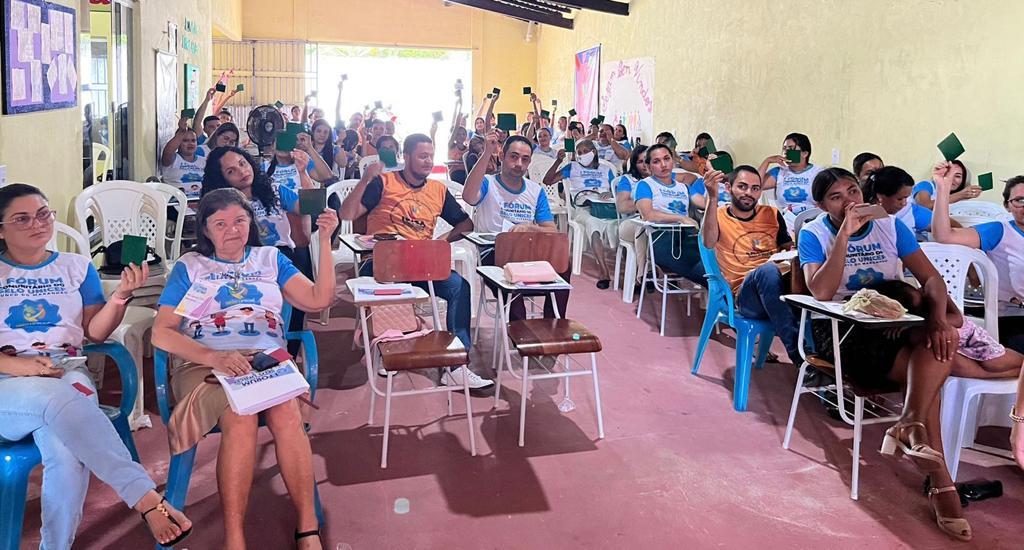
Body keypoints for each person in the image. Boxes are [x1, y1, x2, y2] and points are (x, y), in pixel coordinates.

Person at [0, 184, 192, 548]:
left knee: (66, 452)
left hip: (65, 369)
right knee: (58, 397)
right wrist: (22, 367)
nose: (37, 224)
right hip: (7, 382)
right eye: (21, 218)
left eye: (43, 213)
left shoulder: (75, 267)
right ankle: (145, 498)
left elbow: (94, 332)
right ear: (1, 229)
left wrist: (120, 296)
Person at [154, 188, 337, 550]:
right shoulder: (190, 266)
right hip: (205, 362)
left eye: (239, 220)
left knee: (285, 410)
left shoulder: (270, 259)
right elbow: (162, 332)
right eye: (220, 224)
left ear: (250, 222)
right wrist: (214, 358)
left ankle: (307, 527)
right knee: (240, 415)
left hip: (266, 361)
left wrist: (325, 241)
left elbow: (319, 299)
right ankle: (235, 538)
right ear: (205, 230)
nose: (232, 230)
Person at [798, 167, 970, 541]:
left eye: (853, 191)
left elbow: (931, 279)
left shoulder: (891, 226)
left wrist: (938, 319)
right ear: (820, 205)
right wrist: (843, 236)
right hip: (844, 332)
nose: (849, 202)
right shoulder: (813, 234)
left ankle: (912, 430)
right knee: (930, 375)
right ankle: (940, 482)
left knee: (939, 343)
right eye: (836, 197)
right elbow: (822, 293)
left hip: (896, 322)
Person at [340, 134, 493, 392]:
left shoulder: (438, 190)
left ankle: (456, 365)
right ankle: (387, 344)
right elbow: (347, 214)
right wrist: (365, 179)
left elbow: (465, 224)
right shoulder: (383, 183)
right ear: (407, 156)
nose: (427, 161)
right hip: (381, 262)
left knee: (460, 287)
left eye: (430, 156)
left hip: (420, 262)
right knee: (384, 291)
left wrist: (442, 242)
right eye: (422, 156)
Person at [699, 167, 801, 365]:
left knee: (806, 278)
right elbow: (709, 243)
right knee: (767, 271)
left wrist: (793, 252)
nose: (749, 193)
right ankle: (800, 358)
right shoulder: (718, 214)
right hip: (744, 296)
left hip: (777, 289)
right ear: (728, 188)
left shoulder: (772, 214)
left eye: (755, 188)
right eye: (742, 187)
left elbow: (788, 247)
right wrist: (712, 198)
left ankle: (827, 365)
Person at [464, 133, 564, 320]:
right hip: (494, 255)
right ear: (502, 157)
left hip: (527, 252)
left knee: (563, 263)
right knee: (513, 287)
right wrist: (487, 153)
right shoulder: (488, 183)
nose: (519, 164)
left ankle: (552, 326)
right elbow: (468, 197)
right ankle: (521, 336)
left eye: (525, 159)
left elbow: (552, 232)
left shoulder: (535, 190)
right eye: (514, 156)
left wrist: (531, 228)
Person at [930, 162, 1024, 354]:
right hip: (1013, 318)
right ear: (1007, 206)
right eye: (1020, 200)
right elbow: (944, 235)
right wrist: (943, 189)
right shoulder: (999, 231)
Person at [543, 139, 619, 288]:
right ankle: (604, 271)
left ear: (594, 152)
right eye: (579, 152)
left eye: (585, 151)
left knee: (623, 222)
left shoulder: (606, 169)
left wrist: (609, 192)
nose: (582, 155)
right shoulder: (572, 167)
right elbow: (548, 181)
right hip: (582, 208)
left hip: (605, 207)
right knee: (592, 223)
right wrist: (558, 161)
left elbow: (617, 189)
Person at [633, 144, 706, 287]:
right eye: (656, 161)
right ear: (648, 166)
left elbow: (704, 204)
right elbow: (648, 214)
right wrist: (681, 218)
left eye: (667, 159)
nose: (663, 165)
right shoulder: (645, 185)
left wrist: (713, 191)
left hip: (688, 237)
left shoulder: (683, 187)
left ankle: (722, 299)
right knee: (710, 273)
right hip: (662, 240)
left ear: (673, 161)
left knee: (715, 263)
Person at [759, 132, 825, 229]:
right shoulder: (779, 172)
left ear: (805, 154)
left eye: (791, 148)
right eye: (784, 148)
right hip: (786, 220)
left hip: (814, 220)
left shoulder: (817, 173)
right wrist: (767, 161)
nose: (786, 152)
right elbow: (754, 185)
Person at [862, 166, 934, 237]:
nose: (904, 203)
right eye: (900, 199)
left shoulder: (909, 210)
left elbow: (940, 227)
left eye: (906, 198)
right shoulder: (862, 216)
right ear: (880, 196)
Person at [160, 115, 206, 200]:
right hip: (176, 206)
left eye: (193, 140)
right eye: (185, 140)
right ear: (178, 142)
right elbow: (168, 151)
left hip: (200, 204)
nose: (190, 144)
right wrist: (181, 132)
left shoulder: (204, 161)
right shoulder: (172, 160)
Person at [912, 159, 980, 210]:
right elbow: (923, 207)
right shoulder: (926, 185)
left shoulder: (956, 199)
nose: (951, 179)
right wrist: (959, 195)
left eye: (957, 176)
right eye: (948, 173)